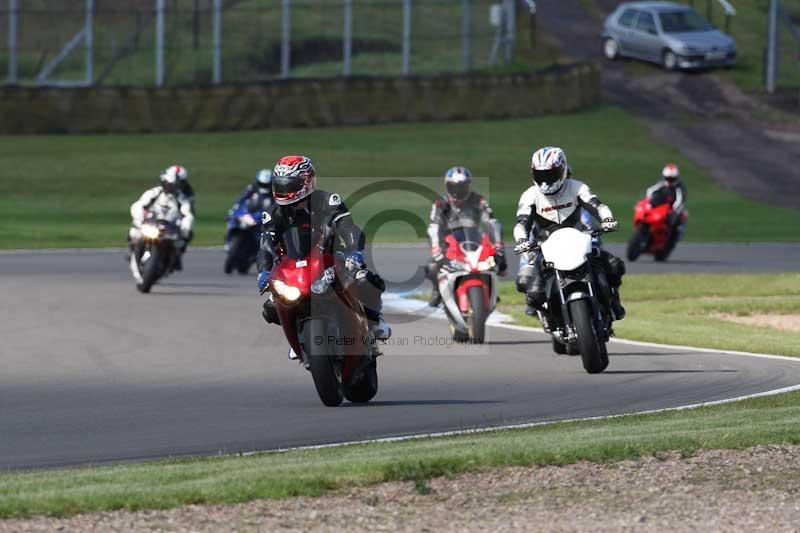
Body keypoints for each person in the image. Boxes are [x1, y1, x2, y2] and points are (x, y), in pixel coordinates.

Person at [256, 155, 390, 359]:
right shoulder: (273, 213)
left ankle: (374, 320)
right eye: (280, 185)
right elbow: (266, 244)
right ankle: (301, 337)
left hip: (330, 259)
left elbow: (348, 227)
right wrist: (263, 272)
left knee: (363, 279)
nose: (284, 190)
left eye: (289, 184)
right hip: (293, 269)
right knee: (271, 307)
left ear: (305, 181)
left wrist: (355, 251)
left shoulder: (327, 201)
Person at [512, 147, 626, 328]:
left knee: (614, 266)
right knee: (531, 290)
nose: (546, 180)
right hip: (547, 247)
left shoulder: (577, 187)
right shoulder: (530, 196)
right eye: (541, 175)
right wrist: (521, 240)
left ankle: (613, 302)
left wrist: (607, 219)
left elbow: (596, 205)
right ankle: (547, 317)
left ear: (563, 169)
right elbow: (522, 222)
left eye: (551, 174)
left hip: (579, 240)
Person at [426, 166, 506, 307]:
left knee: (496, 261)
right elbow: (434, 227)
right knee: (432, 266)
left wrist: (498, 246)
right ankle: (437, 291)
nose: (458, 191)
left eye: (462, 187)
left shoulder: (478, 200)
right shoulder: (440, 203)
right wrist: (436, 249)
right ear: (447, 186)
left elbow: (492, 222)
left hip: (473, 238)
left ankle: (489, 289)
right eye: (454, 187)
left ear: (468, 186)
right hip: (447, 242)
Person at [128, 167, 194, 267]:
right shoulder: (155, 192)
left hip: (170, 227)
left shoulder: (182, 199)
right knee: (133, 233)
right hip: (151, 222)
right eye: (171, 185)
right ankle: (134, 251)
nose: (173, 188)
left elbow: (187, 215)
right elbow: (139, 205)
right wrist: (139, 218)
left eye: (178, 185)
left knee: (182, 240)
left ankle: (175, 258)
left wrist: (185, 229)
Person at [646, 163, 687, 239]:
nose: (670, 181)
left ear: (676, 178)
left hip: (673, 207)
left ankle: (677, 232)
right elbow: (650, 190)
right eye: (668, 178)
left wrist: (673, 210)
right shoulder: (661, 184)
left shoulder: (680, 188)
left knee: (683, 214)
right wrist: (649, 202)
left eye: (672, 179)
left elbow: (679, 201)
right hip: (661, 205)